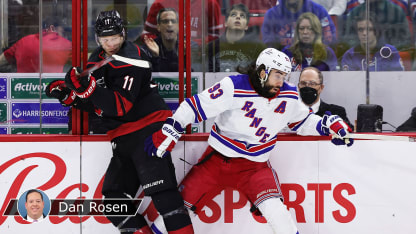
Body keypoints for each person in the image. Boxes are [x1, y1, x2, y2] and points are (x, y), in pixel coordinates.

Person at [145, 48, 354, 234]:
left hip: (255, 167)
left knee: (280, 216)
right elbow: (194, 106)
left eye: (285, 75)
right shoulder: (232, 86)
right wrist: (172, 128)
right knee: (174, 216)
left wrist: (327, 126)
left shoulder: (289, 94)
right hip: (216, 162)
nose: (282, 81)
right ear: (263, 71)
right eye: (278, 75)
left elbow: (304, 121)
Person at [45, 10, 194, 234]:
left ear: (123, 34)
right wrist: (72, 97)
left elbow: (120, 105)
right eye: (105, 39)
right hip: (122, 137)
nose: (110, 43)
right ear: (97, 38)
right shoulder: (96, 59)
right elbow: (98, 106)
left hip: (148, 131)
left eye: (114, 37)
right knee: (114, 203)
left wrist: (88, 88)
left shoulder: (132, 56)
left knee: (164, 196)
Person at [208, 3, 266, 72]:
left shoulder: (257, 48)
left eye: (242, 16)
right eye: (233, 15)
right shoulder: (211, 47)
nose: (238, 17)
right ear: (225, 23)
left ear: (246, 26)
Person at [0, 17, 71, 73]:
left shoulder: (23, 41)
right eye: (62, 31)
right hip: (52, 86)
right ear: (53, 28)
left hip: (22, 86)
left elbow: (3, 60)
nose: (63, 35)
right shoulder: (66, 44)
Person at [261, 0, 337, 50]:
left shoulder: (319, 11)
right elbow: (269, 47)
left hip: (315, 64)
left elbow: (330, 40)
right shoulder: (272, 15)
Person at [140, 0, 223, 46]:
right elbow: (147, 34)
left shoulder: (210, 3)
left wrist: (196, 44)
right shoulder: (159, 3)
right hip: (165, 58)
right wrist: (166, 46)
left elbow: (217, 35)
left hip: (200, 60)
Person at [342, 0, 412, 53]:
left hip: (390, 59)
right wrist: (362, 49)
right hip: (361, 58)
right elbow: (348, 40)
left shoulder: (396, 12)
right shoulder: (355, 13)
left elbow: (405, 41)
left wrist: (386, 51)